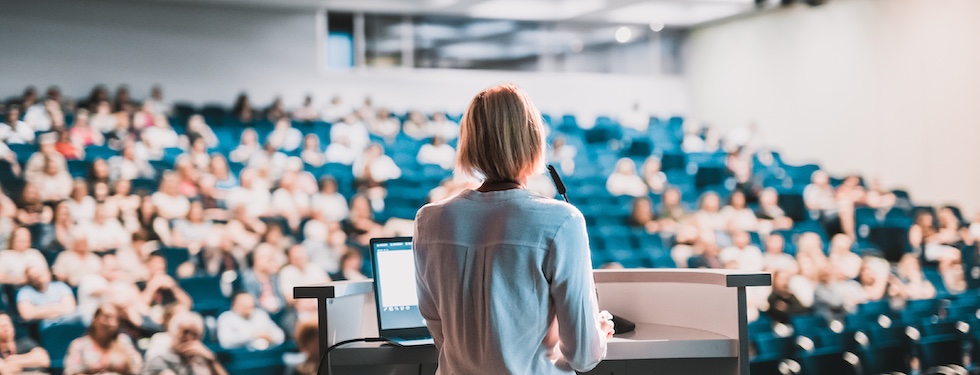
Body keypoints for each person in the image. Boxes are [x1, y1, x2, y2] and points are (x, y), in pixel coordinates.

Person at [413, 84, 612, 374]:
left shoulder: (428, 220)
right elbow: (584, 356)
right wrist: (599, 331)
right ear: (533, 140)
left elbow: (439, 329)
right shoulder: (562, 221)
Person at [64, 304, 143, 375]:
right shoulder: (79, 344)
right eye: (107, 317)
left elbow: (136, 365)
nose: (111, 323)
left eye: (115, 319)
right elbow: (71, 371)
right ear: (95, 319)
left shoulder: (123, 341)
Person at [142, 311, 228, 375]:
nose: (189, 338)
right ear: (172, 332)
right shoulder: (159, 360)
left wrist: (211, 360)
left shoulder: (201, 360)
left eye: (194, 334)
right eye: (185, 332)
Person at [216, 293, 285, 350]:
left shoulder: (260, 314)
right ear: (234, 305)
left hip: (264, 354)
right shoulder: (226, 318)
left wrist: (270, 337)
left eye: (250, 305)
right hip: (240, 357)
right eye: (244, 304)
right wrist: (254, 335)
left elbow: (280, 336)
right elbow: (226, 342)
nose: (248, 307)